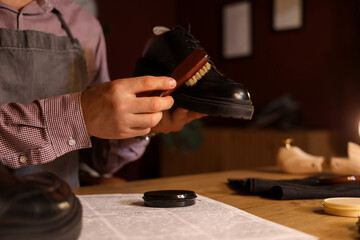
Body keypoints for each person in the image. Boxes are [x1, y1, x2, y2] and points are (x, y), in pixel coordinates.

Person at [0, 0, 204, 187]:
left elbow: (99, 160)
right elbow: (82, 119)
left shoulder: (83, 25)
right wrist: (78, 115)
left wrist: (144, 126)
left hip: (65, 213)